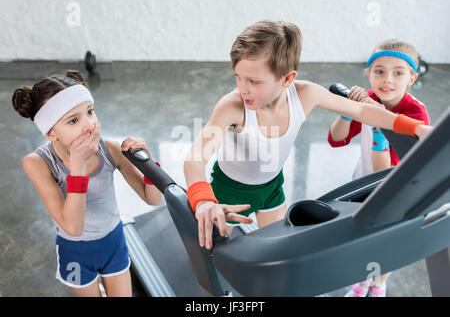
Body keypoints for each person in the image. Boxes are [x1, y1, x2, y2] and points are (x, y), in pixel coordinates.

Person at [183, 20, 432, 252]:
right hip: (229, 190)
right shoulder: (232, 106)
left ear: (288, 78)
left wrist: (416, 128)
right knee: (212, 250)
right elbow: (195, 159)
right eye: (238, 76)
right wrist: (204, 201)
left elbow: (362, 110)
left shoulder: (305, 94)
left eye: (254, 81)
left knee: (273, 250)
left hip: (271, 188)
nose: (243, 88)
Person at [12, 70, 162, 297]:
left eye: (90, 112)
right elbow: (72, 227)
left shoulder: (110, 149)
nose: (89, 124)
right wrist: (78, 166)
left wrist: (148, 165)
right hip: (76, 252)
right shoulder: (37, 163)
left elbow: (153, 199)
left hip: (114, 241)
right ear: (51, 133)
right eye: (74, 120)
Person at [327, 39, 430, 297]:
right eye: (379, 71)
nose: (387, 80)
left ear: (412, 78)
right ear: (368, 73)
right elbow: (336, 139)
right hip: (362, 180)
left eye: (398, 73)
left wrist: (379, 123)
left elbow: (382, 173)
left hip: (396, 185)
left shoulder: (416, 113)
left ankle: (379, 284)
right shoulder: (367, 100)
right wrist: (348, 111)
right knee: (364, 236)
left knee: (388, 241)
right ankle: (363, 283)